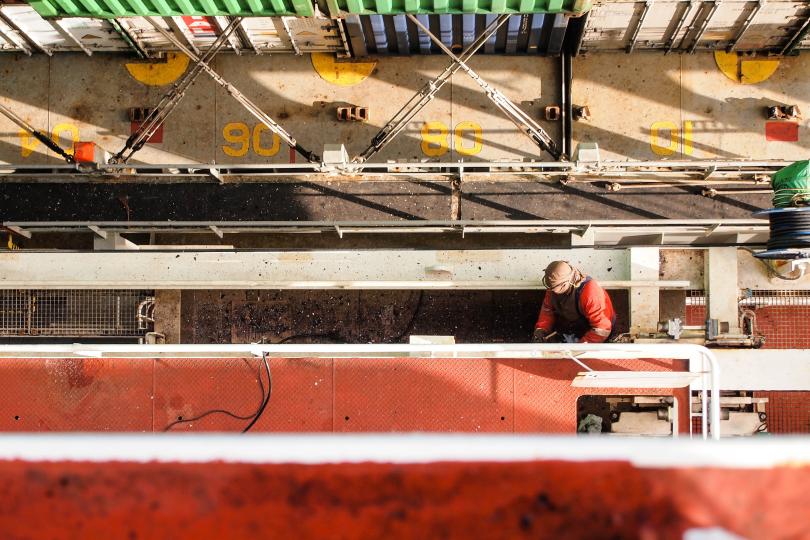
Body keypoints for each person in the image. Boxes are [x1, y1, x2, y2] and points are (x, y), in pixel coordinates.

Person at [532, 261, 616, 343]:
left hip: (597, 333)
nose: (550, 290)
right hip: (572, 328)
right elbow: (547, 311)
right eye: (549, 286)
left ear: (565, 284)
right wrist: (541, 330)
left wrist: (578, 348)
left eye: (553, 287)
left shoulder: (590, 292)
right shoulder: (552, 287)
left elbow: (602, 328)